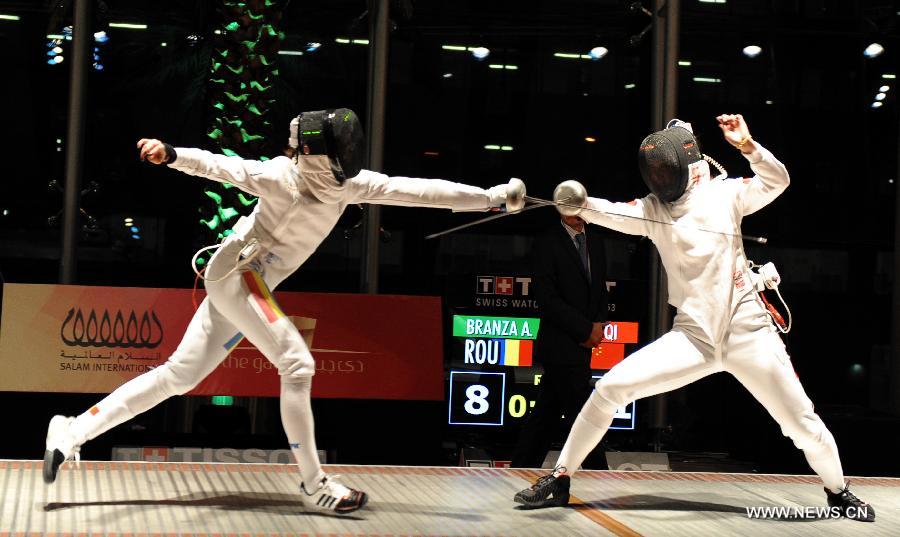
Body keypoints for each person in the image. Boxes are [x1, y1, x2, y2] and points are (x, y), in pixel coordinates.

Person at [43, 108, 525, 515]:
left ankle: (72, 429)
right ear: (310, 153)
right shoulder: (279, 176)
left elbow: (420, 191)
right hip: (236, 274)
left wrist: (492, 200)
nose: (345, 160)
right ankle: (315, 487)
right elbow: (219, 166)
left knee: (179, 376)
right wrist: (171, 155)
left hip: (252, 284)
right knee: (298, 363)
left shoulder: (349, 186)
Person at [513, 114, 875, 523]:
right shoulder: (654, 209)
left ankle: (838, 490)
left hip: (748, 332)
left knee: (802, 423)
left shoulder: (725, 193)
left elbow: (778, 181)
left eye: (665, 168)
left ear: (685, 163)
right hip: (693, 338)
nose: (660, 176)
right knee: (611, 388)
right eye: (655, 170)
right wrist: (581, 205)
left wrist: (749, 147)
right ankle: (560, 479)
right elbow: (613, 212)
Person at [510, 213, 608, 469]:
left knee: (546, 414)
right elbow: (548, 299)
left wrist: (598, 324)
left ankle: (521, 468)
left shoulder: (596, 240)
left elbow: (599, 289)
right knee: (582, 411)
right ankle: (599, 472)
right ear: (561, 209)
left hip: (584, 343)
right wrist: (585, 330)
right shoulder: (547, 242)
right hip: (560, 343)